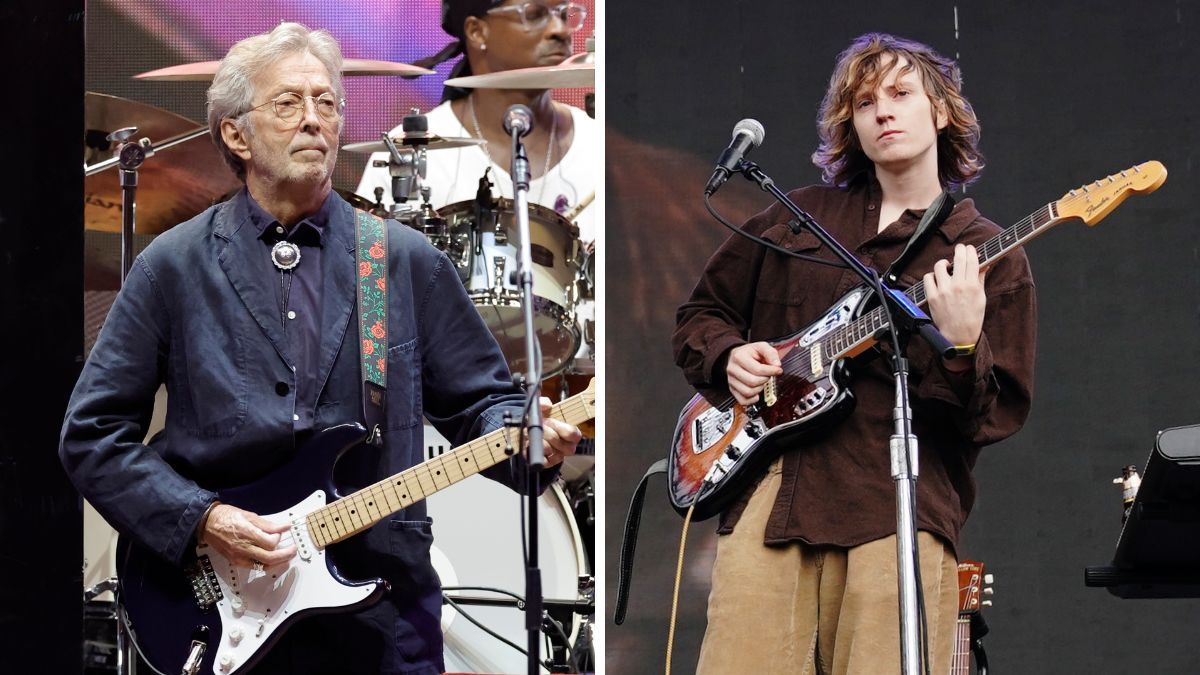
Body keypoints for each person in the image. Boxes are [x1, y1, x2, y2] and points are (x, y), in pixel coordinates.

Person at [59, 22, 580, 675]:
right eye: (289, 103)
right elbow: (91, 436)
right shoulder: (174, 265)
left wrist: (531, 437)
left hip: (384, 615)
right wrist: (202, 518)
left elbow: (486, 406)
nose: (314, 119)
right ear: (234, 133)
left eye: (327, 102)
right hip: (222, 611)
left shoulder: (400, 261)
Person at [671, 33, 1037, 674]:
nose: (884, 112)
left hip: (898, 506)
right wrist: (728, 355)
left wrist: (960, 344)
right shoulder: (797, 219)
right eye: (865, 103)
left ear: (942, 111)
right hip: (772, 501)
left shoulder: (980, 253)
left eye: (901, 95)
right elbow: (700, 316)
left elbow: (993, 415)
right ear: (852, 125)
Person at [355, 0, 597, 245]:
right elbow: (369, 269)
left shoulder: (599, 143)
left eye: (564, 14)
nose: (561, 30)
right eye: (534, 15)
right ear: (476, 31)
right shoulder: (406, 151)